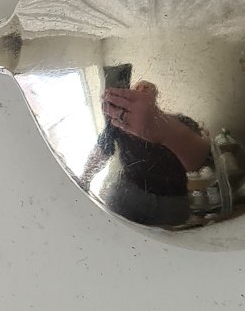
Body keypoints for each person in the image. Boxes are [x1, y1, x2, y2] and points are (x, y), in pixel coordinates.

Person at [82, 80, 211, 227]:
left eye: (147, 88)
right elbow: (102, 151)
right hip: (128, 192)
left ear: (155, 96)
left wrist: (163, 127)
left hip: (171, 200)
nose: (142, 90)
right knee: (112, 232)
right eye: (138, 87)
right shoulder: (119, 123)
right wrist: (85, 178)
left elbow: (200, 160)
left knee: (168, 240)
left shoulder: (180, 122)